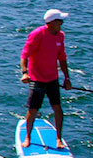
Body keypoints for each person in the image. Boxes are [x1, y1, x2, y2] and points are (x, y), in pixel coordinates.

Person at [20, 9, 71, 148]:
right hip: (37, 79)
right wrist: (25, 73)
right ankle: (28, 137)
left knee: (58, 108)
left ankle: (59, 139)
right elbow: (24, 55)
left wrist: (67, 78)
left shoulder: (60, 36)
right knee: (33, 110)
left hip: (52, 79)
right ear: (52, 22)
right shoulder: (37, 34)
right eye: (60, 20)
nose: (62, 23)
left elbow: (62, 58)